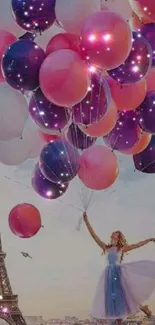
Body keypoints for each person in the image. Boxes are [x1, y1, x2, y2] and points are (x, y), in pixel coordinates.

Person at [83, 212, 155, 325]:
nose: (113, 235)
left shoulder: (121, 249)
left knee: (124, 294)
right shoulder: (105, 247)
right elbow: (94, 235)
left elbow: (137, 245)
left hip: (118, 273)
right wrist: (86, 221)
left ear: (118, 237)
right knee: (113, 297)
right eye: (113, 234)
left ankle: (142, 309)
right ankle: (132, 314)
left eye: (115, 234)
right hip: (108, 275)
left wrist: (149, 240)